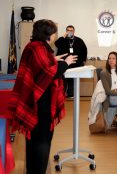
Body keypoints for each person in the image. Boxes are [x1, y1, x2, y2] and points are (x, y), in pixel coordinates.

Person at [10, 19, 77, 174]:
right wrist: (65, 63)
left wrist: (54, 59)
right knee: (42, 142)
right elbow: (48, 73)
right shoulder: (38, 48)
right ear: (49, 34)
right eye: (55, 32)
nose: (56, 35)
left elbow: (41, 67)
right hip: (40, 105)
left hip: (36, 102)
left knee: (34, 141)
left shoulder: (34, 46)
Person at [55, 25, 87, 97]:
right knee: (63, 79)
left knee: (72, 79)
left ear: (74, 31)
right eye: (68, 30)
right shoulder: (62, 39)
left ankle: (71, 94)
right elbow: (56, 44)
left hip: (76, 64)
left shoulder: (79, 40)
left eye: (71, 30)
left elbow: (84, 51)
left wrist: (83, 61)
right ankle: (61, 94)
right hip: (63, 63)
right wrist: (64, 36)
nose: (69, 32)